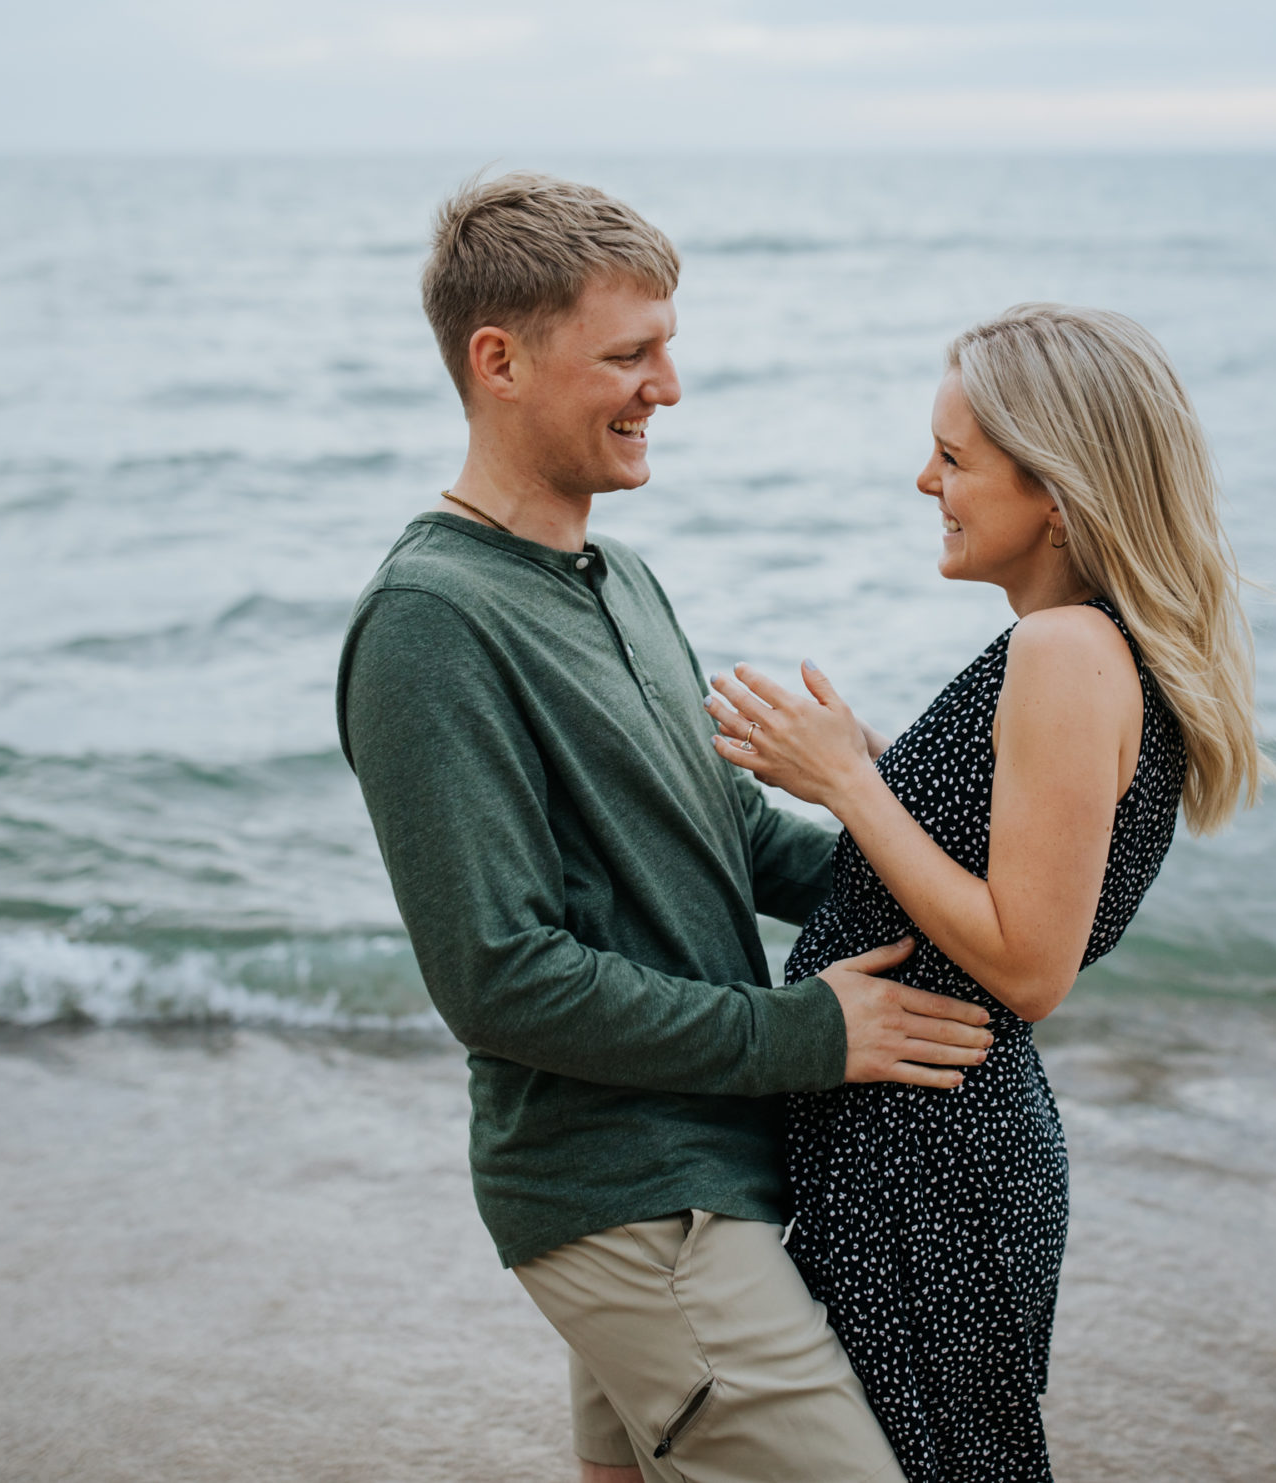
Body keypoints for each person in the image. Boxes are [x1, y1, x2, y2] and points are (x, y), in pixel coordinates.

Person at [336, 172, 999, 1483]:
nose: (669, 389)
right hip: (628, 1191)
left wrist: (936, 861)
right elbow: (498, 976)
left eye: (670, 349)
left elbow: (727, 838)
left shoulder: (621, 576)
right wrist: (802, 1034)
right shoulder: (431, 621)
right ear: (500, 360)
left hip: (703, 1167)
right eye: (630, 354)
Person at [701, 303, 1276, 1483]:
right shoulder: (1089, 647)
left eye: (954, 457)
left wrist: (852, 785)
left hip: (931, 1157)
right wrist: (864, 764)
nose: (925, 481)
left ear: (1057, 489)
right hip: (915, 1142)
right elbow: (987, 864)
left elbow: (1027, 961)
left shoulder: (1066, 652)